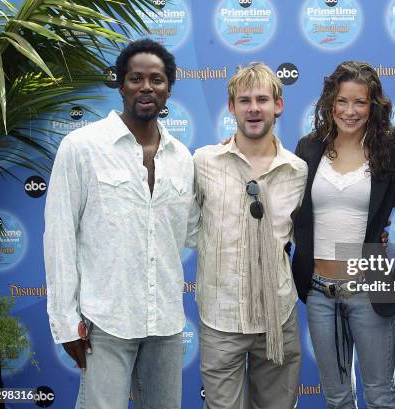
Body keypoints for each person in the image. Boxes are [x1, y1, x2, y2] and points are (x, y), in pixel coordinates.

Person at [44, 39, 198, 409]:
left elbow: (194, 231)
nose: (147, 87)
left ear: (169, 89)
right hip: (105, 321)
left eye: (157, 80)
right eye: (136, 78)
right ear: (120, 84)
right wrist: (66, 323)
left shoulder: (182, 158)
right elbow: (60, 236)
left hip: (165, 322)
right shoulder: (81, 147)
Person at [193, 62, 307, 409]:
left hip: (278, 318)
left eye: (262, 99)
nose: (254, 108)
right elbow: (185, 226)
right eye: (244, 100)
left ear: (279, 105)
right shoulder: (203, 162)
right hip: (220, 316)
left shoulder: (297, 170)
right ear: (232, 107)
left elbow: (302, 237)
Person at [292, 61, 395, 409]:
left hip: (369, 290)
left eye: (360, 102)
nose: (350, 111)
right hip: (319, 291)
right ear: (330, 103)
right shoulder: (309, 148)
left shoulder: (390, 151)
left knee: (380, 396)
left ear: (373, 106)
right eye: (342, 101)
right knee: (337, 398)